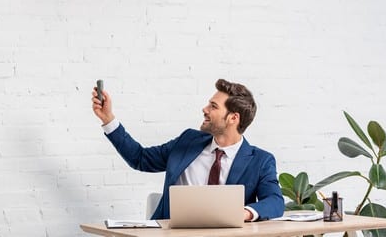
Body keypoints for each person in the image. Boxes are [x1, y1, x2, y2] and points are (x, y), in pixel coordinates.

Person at [91, 79, 284, 221]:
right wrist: (108, 119)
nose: (205, 109)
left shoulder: (260, 160)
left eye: (213, 106)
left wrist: (243, 213)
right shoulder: (188, 141)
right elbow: (140, 158)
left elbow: (275, 201)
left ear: (233, 118)